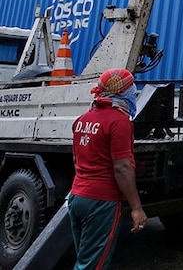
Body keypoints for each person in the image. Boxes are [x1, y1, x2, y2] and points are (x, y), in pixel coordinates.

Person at [68, 68, 147, 270]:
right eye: (131, 87)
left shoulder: (82, 120)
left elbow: (77, 160)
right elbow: (122, 168)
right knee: (92, 266)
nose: (134, 92)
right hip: (101, 202)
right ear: (121, 92)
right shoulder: (119, 122)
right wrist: (137, 208)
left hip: (77, 197)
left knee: (84, 260)